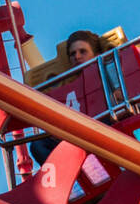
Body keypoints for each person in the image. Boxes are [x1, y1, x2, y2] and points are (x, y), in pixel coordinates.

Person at [29, 30, 109, 166]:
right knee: (38, 144)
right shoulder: (65, 91)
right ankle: (71, 179)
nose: (77, 57)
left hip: (107, 129)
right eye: (73, 54)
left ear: (96, 55)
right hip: (80, 136)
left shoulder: (110, 74)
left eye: (82, 52)